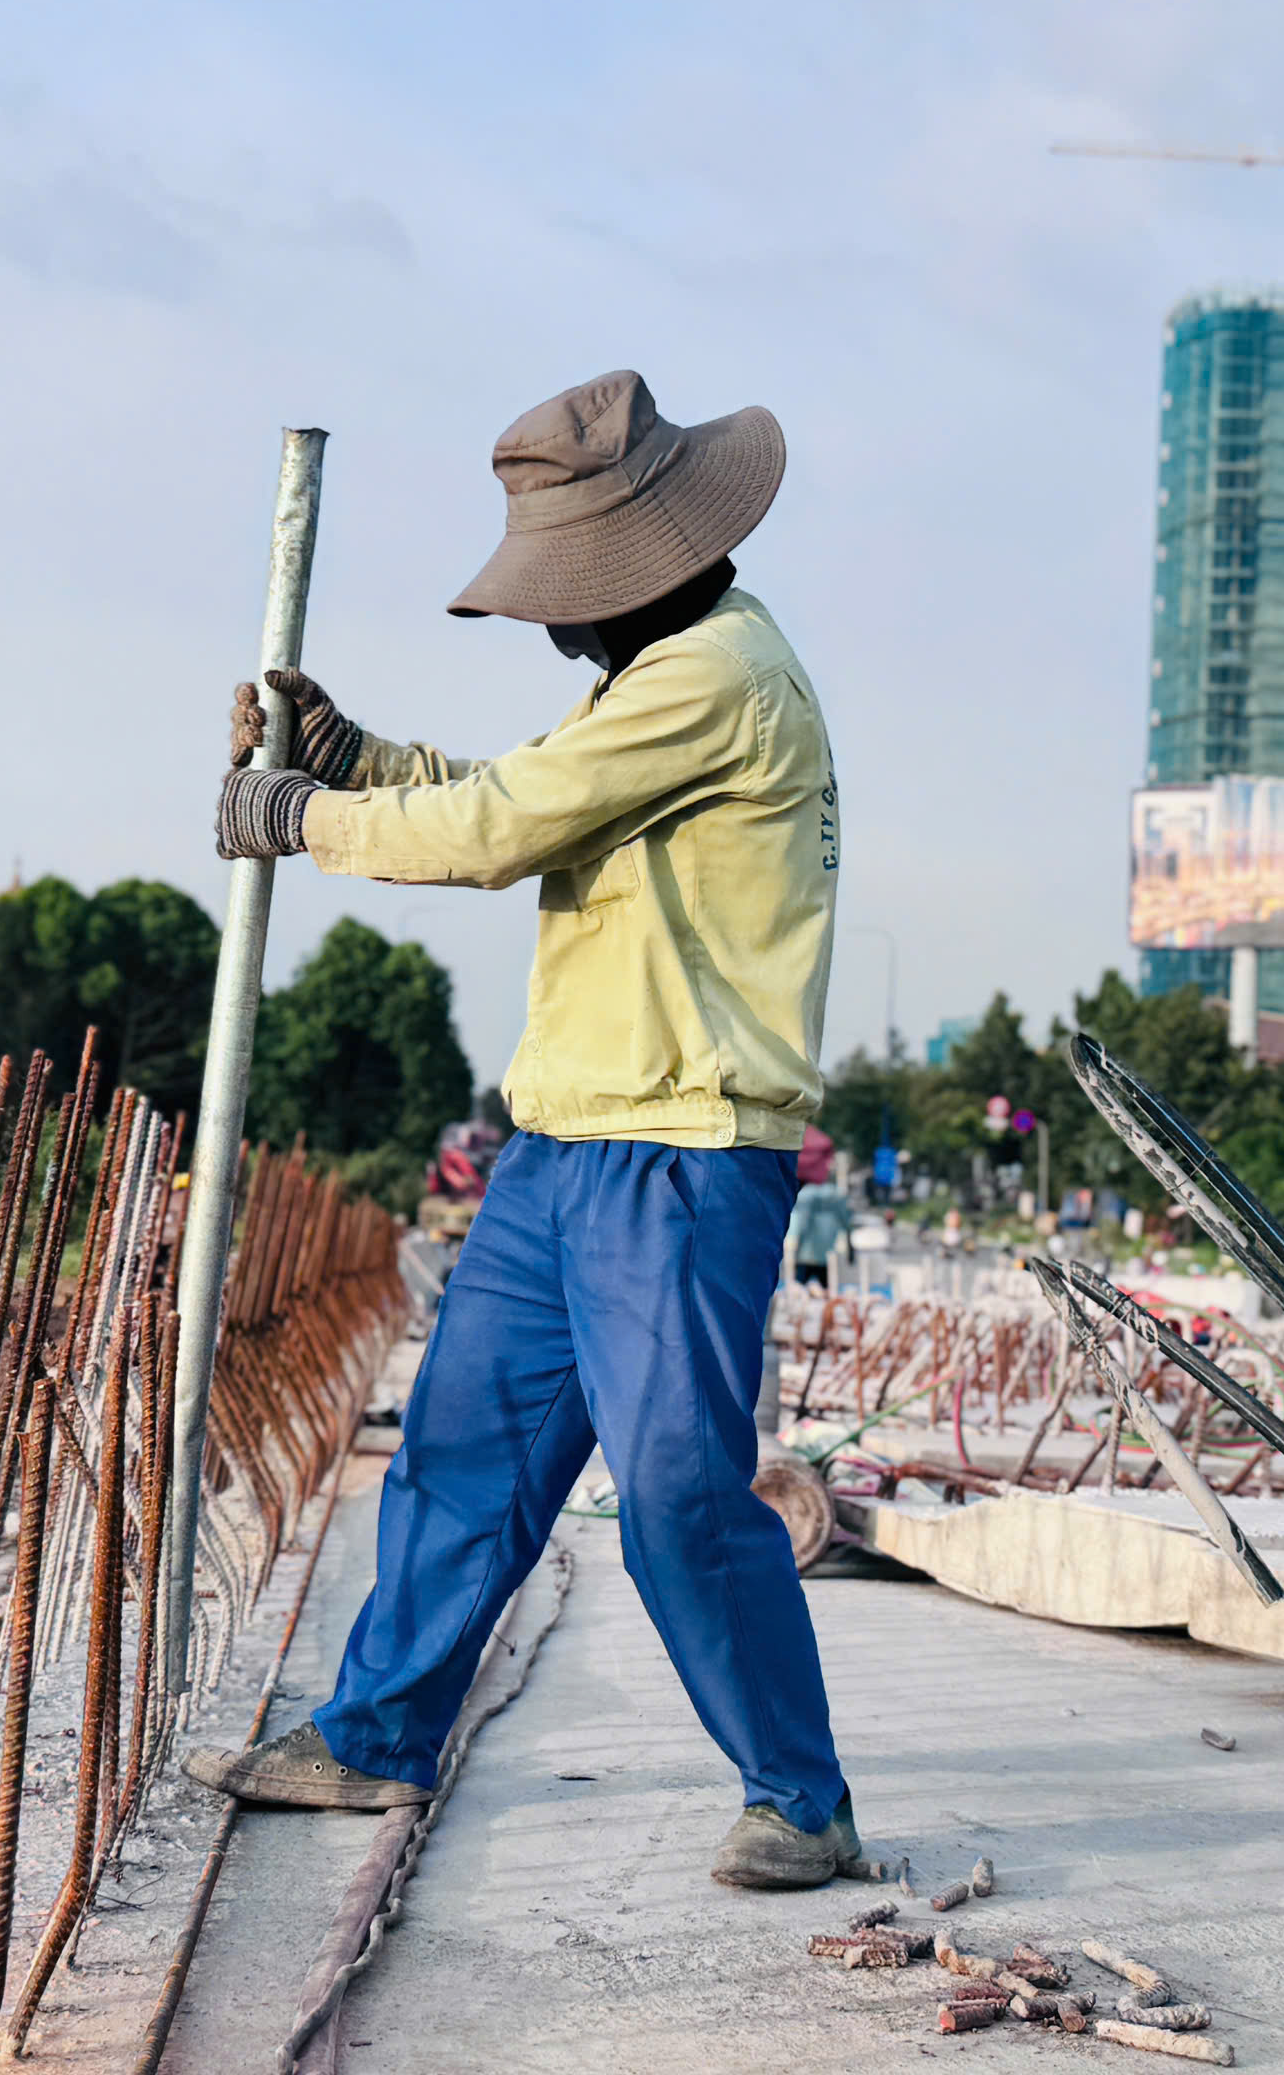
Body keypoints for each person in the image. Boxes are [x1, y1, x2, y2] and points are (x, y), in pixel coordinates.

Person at [185, 369, 857, 1889]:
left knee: (680, 1496)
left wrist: (302, 818)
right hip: (563, 1151)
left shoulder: (719, 677)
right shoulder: (646, 677)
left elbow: (494, 836)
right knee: (461, 1459)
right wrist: (349, 758)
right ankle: (374, 1740)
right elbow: (513, 792)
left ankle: (801, 1797)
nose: (557, 621)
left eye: (568, 591)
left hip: (683, 1155)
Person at [788, 1127, 850, 1290]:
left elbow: (802, 1224)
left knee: (798, 1291)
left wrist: (795, 1249)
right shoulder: (837, 1195)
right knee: (828, 1292)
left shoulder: (805, 1196)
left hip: (805, 1254)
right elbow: (846, 1222)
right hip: (827, 1252)